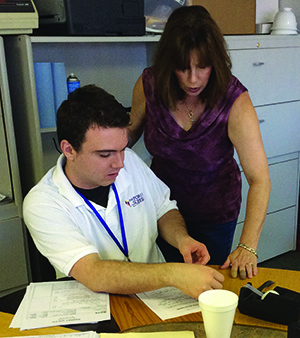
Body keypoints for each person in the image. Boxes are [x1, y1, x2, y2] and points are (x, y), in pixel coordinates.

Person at [23, 84, 224, 299]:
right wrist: (174, 274)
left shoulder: (130, 162)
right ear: (69, 149)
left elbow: (164, 209)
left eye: (122, 149)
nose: (119, 163)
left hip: (158, 296)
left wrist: (182, 239)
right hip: (98, 304)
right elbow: (94, 273)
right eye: (105, 154)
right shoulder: (43, 203)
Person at [128, 5, 271, 280]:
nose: (193, 79)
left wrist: (247, 246)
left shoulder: (234, 100)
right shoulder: (150, 84)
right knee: (162, 288)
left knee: (207, 289)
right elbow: (130, 132)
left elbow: (260, 179)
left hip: (214, 215)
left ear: (214, 62)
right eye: (183, 68)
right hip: (161, 210)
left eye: (202, 67)